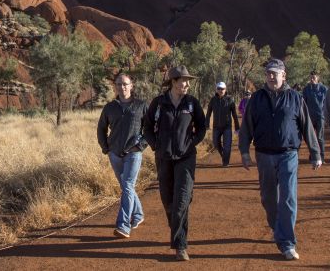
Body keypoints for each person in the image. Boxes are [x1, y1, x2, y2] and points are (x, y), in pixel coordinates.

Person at [238, 58, 322, 261]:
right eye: (268, 73)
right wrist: (244, 151)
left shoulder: (295, 97)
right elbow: (247, 126)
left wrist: (315, 153)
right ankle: (278, 228)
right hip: (264, 154)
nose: (271, 76)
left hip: (288, 154)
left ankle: (287, 243)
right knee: (268, 199)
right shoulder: (256, 99)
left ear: (284, 75)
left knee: (287, 198)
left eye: (275, 73)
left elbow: (306, 125)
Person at [143, 65, 207, 262]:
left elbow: (202, 127)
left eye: (188, 81)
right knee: (168, 201)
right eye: (182, 81)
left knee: (181, 201)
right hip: (163, 158)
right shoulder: (159, 103)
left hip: (186, 158)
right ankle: (177, 229)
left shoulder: (192, 103)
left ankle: (180, 245)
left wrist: (191, 144)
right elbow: (146, 128)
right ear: (172, 82)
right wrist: (155, 146)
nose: (186, 84)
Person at [97, 73, 148, 238]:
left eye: (125, 84)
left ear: (131, 85)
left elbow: (151, 129)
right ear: (115, 86)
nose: (122, 87)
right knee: (127, 188)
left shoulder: (141, 105)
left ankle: (123, 225)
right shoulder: (110, 107)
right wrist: (106, 148)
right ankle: (138, 214)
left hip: (133, 153)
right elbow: (101, 129)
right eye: (119, 84)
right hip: (115, 153)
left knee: (127, 186)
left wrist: (140, 146)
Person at [206, 81, 240, 166]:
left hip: (227, 127)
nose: (221, 90)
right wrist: (206, 124)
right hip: (216, 127)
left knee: (227, 146)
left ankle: (226, 162)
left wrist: (237, 127)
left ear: (225, 89)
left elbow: (234, 114)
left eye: (223, 89)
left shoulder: (230, 99)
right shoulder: (213, 100)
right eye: (219, 88)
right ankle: (224, 156)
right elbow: (209, 112)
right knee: (216, 144)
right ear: (216, 90)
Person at [301, 71, 328, 163]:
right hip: (310, 117)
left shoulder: (324, 89)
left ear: (318, 78)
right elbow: (303, 103)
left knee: (320, 137)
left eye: (314, 78)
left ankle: (322, 156)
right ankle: (313, 155)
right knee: (311, 137)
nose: (312, 79)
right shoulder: (306, 89)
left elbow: (327, 103)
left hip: (320, 116)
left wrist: (327, 116)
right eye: (311, 78)